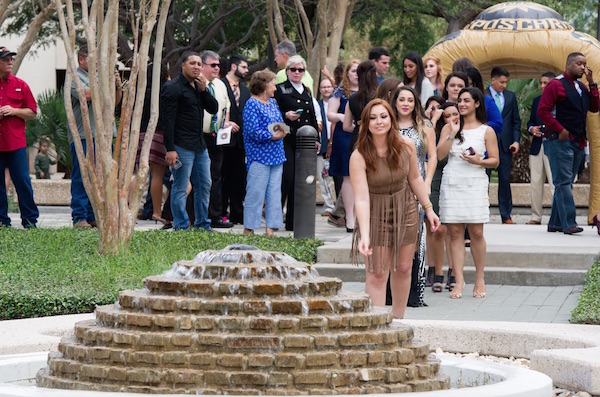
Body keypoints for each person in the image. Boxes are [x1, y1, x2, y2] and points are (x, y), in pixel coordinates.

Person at [350, 98, 439, 319]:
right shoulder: (359, 155)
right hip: (375, 211)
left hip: (405, 208)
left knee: (403, 268)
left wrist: (429, 209)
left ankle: (398, 322)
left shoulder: (406, 145)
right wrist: (365, 235)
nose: (379, 122)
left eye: (383, 116)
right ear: (366, 123)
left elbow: (416, 179)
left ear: (391, 118)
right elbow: (360, 198)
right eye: (372, 118)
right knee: (377, 273)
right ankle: (378, 327)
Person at [437, 88, 499, 299]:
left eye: (466, 101)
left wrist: (479, 161)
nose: (461, 104)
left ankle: (480, 277)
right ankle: (458, 278)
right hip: (452, 181)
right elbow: (438, 155)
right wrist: (451, 133)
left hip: (475, 182)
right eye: (459, 101)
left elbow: (495, 161)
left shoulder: (486, 130)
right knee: (454, 232)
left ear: (477, 104)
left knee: (476, 232)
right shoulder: (450, 126)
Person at [538, 52, 599, 235]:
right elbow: (543, 111)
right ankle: (569, 223)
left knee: (565, 182)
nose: (582, 67)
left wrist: (592, 83)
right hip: (559, 141)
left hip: (577, 142)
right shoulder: (556, 85)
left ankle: (555, 223)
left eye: (584, 64)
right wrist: (560, 129)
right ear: (569, 64)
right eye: (579, 64)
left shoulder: (581, 86)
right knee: (563, 182)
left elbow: (595, 107)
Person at [389, 86, 437, 307]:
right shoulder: (387, 124)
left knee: (416, 239)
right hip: (391, 188)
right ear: (395, 101)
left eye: (410, 100)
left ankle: (414, 294)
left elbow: (433, 157)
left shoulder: (424, 126)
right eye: (401, 99)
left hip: (416, 188)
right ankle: (389, 293)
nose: (405, 103)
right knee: (391, 239)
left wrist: (427, 184)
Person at [66, 44, 122, 229]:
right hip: (83, 134)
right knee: (82, 176)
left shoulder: (100, 77)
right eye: (94, 60)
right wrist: (105, 81)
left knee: (99, 177)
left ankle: (92, 215)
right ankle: (79, 216)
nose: (99, 63)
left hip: (104, 135)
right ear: (81, 59)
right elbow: (87, 95)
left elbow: (115, 100)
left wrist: (116, 85)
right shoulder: (73, 77)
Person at [161, 51, 218, 231]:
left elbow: (213, 108)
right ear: (183, 65)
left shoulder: (199, 86)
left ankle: (202, 224)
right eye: (192, 63)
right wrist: (170, 149)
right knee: (180, 187)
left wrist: (204, 90)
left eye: (200, 64)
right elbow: (167, 121)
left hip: (199, 145)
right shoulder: (173, 87)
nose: (197, 67)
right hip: (180, 146)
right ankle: (181, 226)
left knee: (204, 184)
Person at [274, 55, 319, 231]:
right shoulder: (279, 89)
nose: (297, 73)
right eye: (293, 69)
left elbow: (312, 115)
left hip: (305, 139)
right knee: (287, 177)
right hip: (286, 137)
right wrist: (286, 116)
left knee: (300, 179)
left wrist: (316, 138)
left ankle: (293, 221)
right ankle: (276, 218)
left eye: (301, 70)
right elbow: (273, 114)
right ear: (287, 71)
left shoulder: (307, 90)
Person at [242, 69, 286, 236]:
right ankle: (249, 228)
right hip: (259, 156)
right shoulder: (251, 104)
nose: (275, 87)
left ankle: (271, 229)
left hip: (277, 155)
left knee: (275, 193)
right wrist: (273, 136)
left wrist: (283, 130)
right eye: (273, 84)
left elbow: (278, 123)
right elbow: (253, 131)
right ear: (264, 86)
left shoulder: (273, 103)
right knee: (255, 192)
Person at [0, 46, 39, 228]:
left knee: (22, 181)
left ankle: (30, 220)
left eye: (11, 59)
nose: (10, 62)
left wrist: (14, 110)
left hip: (16, 144)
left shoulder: (20, 85)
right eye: (6, 59)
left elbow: (32, 112)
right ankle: (2, 222)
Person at [342, 61, 379, 233]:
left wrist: (359, 125)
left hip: (357, 139)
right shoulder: (379, 97)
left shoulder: (353, 99)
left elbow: (345, 126)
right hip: (377, 139)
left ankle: (354, 219)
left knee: (354, 180)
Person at [199, 50, 233, 229]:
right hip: (198, 136)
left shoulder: (220, 84)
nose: (217, 68)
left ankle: (215, 215)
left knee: (215, 176)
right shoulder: (196, 83)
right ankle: (191, 216)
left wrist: (226, 123)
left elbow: (225, 106)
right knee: (198, 178)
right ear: (202, 66)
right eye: (213, 65)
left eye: (218, 65)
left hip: (216, 136)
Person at [429, 102, 460, 293]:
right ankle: (437, 272)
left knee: (454, 231)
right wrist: (448, 132)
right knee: (438, 230)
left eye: (454, 114)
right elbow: (439, 156)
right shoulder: (441, 133)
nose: (451, 119)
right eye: (446, 116)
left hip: (457, 185)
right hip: (437, 182)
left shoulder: (467, 132)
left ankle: (454, 272)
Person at [327, 60, 360, 229]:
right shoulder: (339, 91)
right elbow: (330, 114)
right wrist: (343, 117)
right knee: (348, 176)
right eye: (353, 70)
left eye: (358, 71)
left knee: (361, 177)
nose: (356, 73)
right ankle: (349, 218)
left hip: (362, 136)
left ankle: (358, 215)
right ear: (347, 73)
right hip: (344, 136)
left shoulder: (368, 91)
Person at [136, 64, 169, 226]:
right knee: (157, 175)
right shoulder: (164, 90)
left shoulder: (141, 90)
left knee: (139, 173)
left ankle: (130, 209)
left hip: (141, 133)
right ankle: (157, 212)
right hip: (158, 133)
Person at [486, 66, 521, 224]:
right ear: (493, 80)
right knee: (483, 179)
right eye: (501, 82)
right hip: (486, 144)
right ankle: (482, 214)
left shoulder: (511, 96)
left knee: (505, 180)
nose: (504, 85)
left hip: (506, 145)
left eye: (506, 82)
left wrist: (516, 141)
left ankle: (506, 215)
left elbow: (516, 122)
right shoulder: (482, 95)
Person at [221, 54, 250, 225]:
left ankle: (237, 215)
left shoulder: (245, 90)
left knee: (239, 179)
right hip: (224, 140)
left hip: (241, 142)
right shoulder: (220, 85)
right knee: (222, 177)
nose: (247, 70)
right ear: (234, 66)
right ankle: (222, 213)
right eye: (244, 67)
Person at [526, 72, 556, 225]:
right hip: (537, 146)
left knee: (554, 184)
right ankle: (536, 217)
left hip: (554, 146)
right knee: (535, 183)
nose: (542, 86)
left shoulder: (560, 101)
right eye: (541, 83)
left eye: (546, 83)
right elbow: (530, 122)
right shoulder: (537, 100)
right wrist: (531, 129)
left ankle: (557, 216)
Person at [462, 67, 503, 136]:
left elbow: (498, 124)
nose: (466, 87)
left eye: (469, 84)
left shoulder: (487, 101)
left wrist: (478, 126)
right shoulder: (457, 101)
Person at [317, 78, 335, 216]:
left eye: (329, 86)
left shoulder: (339, 104)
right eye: (324, 87)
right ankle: (329, 206)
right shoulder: (317, 105)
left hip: (337, 143)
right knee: (324, 177)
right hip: (321, 146)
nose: (326, 89)